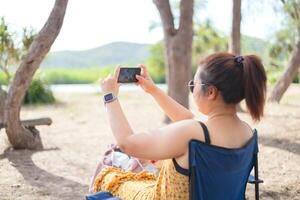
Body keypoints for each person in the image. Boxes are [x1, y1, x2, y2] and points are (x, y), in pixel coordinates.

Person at [94, 52, 267, 199]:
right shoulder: (247, 132)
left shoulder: (192, 134)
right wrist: (152, 89)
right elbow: (188, 119)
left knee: (109, 174)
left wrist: (110, 96)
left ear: (211, 92)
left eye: (194, 85)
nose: (192, 91)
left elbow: (127, 143)